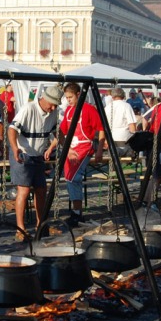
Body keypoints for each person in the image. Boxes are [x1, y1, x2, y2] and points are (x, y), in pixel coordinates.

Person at [8, 84, 62, 235]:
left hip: (37, 155)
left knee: (41, 190)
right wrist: (14, 148)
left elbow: (58, 133)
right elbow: (12, 129)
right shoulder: (28, 109)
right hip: (23, 154)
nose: (53, 109)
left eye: (55, 106)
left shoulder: (53, 112)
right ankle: (20, 229)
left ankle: (41, 225)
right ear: (44, 99)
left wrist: (63, 148)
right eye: (52, 105)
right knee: (24, 190)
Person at [57, 82, 104, 228]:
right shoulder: (69, 111)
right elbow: (61, 131)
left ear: (79, 94)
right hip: (71, 148)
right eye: (67, 97)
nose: (69, 100)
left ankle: (76, 213)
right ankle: (76, 212)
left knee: (73, 177)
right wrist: (64, 147)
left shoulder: (89, 109)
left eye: (70, 97)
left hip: (85, 146)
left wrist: (100, 149)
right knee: (69, 178)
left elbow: (101, 129)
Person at [104, 87, 137, 157]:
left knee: (113, 162)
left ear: (112, 97)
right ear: (123, 96)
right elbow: (132, 126)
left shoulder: (107, 107)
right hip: (125, 140)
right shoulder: (126, 106)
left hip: (111, 140)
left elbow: (104, 125)